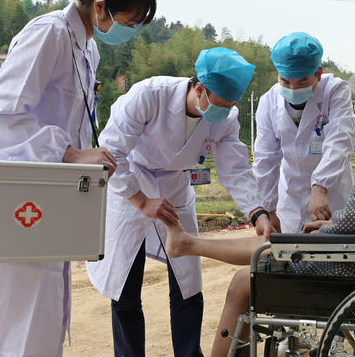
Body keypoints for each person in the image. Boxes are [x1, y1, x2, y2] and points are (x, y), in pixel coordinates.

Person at [0, 0, 156, 356]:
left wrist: (85, 161)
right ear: (100, 6)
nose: (127, 32)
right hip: (20, 193)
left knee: (40, 304)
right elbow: (1, 114)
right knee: (5, 303)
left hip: (53, 195)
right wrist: (70, 153)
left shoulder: (88, 49)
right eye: (127, 23)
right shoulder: (48, 33)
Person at [165, 59, 355, 356]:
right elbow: (266, 159)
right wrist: (278, 212)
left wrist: (328, 225)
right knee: (271, 246)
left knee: (248, 276)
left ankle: (190, 244)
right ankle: (190, 244)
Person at [85, 47, 269, 357]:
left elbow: (235, 168)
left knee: (187, 283)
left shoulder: (226, 117)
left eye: (232, 104)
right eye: (222, 103)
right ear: (200, 89)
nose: (227, 110)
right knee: (125, 285)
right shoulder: (148, 95)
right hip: (130, 183)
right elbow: (111, 153)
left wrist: (257, 211)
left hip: (175, 187)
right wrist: (142, 201)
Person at [252, 32, 355, 235]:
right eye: (285, 81)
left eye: (301, 82)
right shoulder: (269, 101)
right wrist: (269, 209)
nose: (292, 88)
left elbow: (340, 142)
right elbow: (265, 159)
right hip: (289, 199)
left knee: (333, 258)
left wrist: (320, 186)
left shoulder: (335, 91)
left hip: (332, 196)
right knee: (293, 258)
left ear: (318, 74)